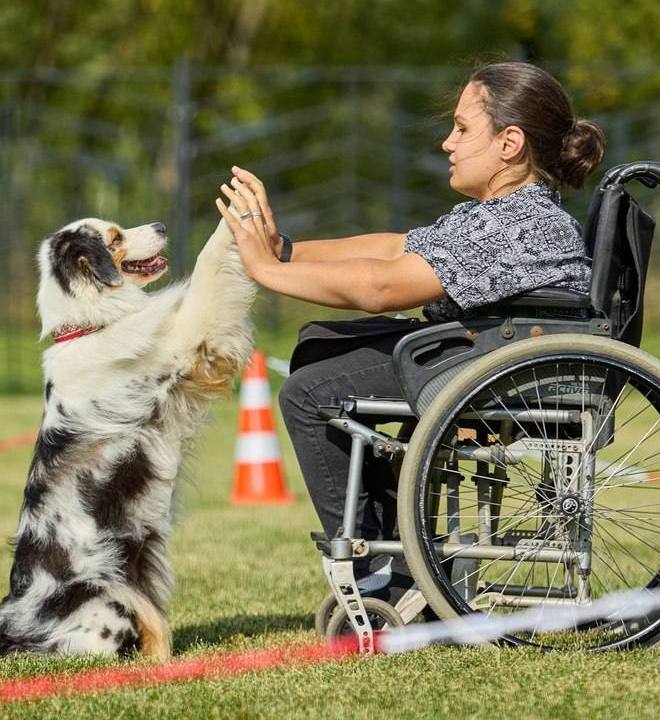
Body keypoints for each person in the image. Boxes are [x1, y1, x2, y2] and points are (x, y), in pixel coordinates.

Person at [213, 62, 606, 596]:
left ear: (509, 143)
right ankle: (395, 560)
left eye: (463, 128)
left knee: (309, 393)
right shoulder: (508, 213)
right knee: (318, 349)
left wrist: (270, 272)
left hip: (495, 366)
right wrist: (286, 249)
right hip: (487, 353)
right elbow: (395, 247)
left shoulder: (514, 225)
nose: (448, 142)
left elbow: (383, 287)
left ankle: (378, 574)